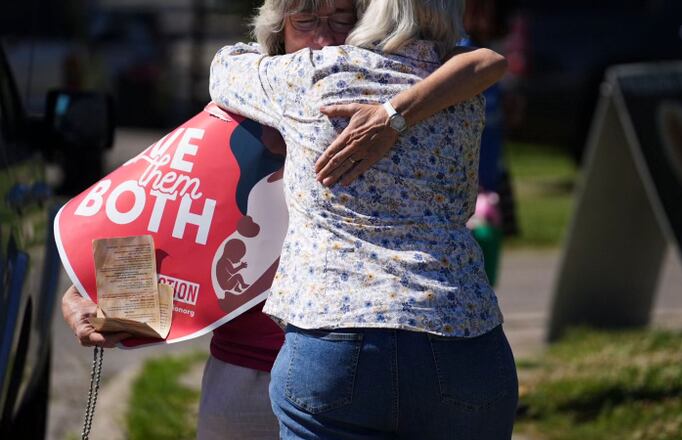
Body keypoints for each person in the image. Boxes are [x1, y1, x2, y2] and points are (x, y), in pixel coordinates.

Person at [61, 0, 509, 438]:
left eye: (342, 18)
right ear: (277, 32)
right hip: (252, 373)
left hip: (322, 361)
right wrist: (95, 293)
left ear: (372, 21)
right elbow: (164, 209)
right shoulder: (236, 120)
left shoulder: (335, 83)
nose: (325, 36)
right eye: (306, 20)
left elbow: (476, 61)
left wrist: (394, 114)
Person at [209, 0, 518, 438]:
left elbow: (224, 67)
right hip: (463, 331)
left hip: (334, 338)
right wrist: (395, 116)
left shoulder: (310, 75)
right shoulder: (462, 88)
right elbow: (485, 61)